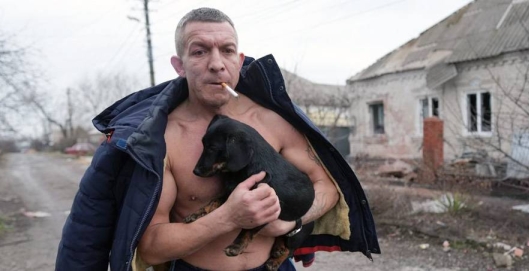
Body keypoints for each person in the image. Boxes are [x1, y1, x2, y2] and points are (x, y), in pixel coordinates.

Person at [55, 7, 380, 271]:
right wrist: (227, 217)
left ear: (239, 61)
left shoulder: (274, 122)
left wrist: (289, 222)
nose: (215, 63)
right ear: (179, 65)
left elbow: (327, 189)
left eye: (226, 51)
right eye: (199, 51)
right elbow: (151, 247)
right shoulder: (160, 138)